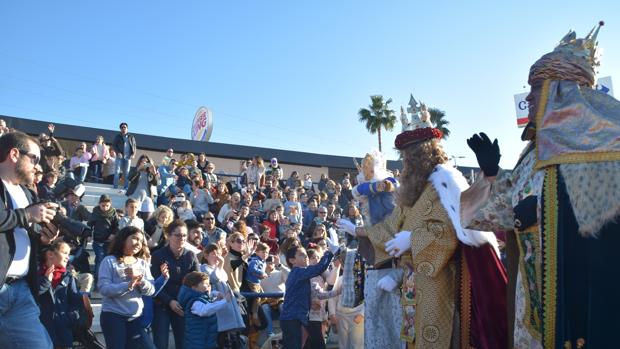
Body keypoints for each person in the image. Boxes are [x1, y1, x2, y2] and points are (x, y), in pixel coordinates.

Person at [462, 22, 620, 349]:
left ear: (560, 91)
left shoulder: (604, 148)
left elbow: (599, 233)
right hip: (534, 300)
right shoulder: (536, 153)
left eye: (536, 89)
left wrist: (540, 212)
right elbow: (499, 216)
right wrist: (492, 174)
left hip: (582, 301)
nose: (529, 99)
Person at [345, 103, 507, 349]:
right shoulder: (411, 190)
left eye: (410, 153)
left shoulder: (445, 181)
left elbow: (453, 230)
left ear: (425, 151)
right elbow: (390, 227)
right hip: (412, 282)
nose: (406, 160)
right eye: (404, 155)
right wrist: (358, 230)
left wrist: (413, 239)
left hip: (440, 280)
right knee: (415, 340)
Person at [0, 131, 62, 348]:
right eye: (34, 159)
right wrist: (27, 215)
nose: (38, 166)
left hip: (20, 291)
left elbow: (21, 234)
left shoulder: (26, 194)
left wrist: (43, 238)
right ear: (14, 154)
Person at [97, 226, 155, 349]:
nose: (138, 243)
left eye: (141, 240)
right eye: (135, 238)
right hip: (113, 316)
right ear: (123, 239)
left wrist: (140, 280)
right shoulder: (109, 261)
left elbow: (151, 290)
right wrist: (127, 285)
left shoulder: (142, 263)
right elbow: (104, 289)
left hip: (136, 317)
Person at [150, 219, 200, 349]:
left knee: (183, 342)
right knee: (161, 343)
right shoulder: (157, 255)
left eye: (184, 235)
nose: (182, 238)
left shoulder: (191, 256)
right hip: (162, 304)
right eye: (178, 235)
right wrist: (170, 301)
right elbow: (155, 285)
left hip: (183, 305)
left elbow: (198, 282)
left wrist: (184, 300)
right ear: (168, 236)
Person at [279, 241, 337, 349]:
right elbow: (318, 268)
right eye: (301, 255)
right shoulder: (297, 272)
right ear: (292, 260)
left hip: (295, 319)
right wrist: (330, 252)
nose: (306, 257)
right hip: (293, 319)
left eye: (306, 255)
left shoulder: (299, 273)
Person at [38, 240, 84, 349]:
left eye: (69, 254)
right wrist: (45, 281)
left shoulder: (68, 277)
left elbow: (76, 302)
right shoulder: (36, 273)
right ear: (50, 254)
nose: (68, 257)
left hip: (63, 333)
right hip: (41, 331)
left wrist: (68, 319)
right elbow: (32, 294)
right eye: (65, 253)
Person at [178, 271, 230, 349]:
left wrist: (217, 299)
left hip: (205, 341)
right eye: (205, 283)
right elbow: (205, 310)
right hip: (197, 343)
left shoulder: (200, 298)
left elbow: (208, 305)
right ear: (194, 287)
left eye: (208, 283)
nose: (208, 285)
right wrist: (225, 301)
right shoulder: (194, 302)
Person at [88, 194, 119, 279]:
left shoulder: (113, 212)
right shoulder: (95, 212)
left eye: (107, 206)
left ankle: (106, 279)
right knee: (100, 259)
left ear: (110, 204)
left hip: (109, 241)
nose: (105, 208)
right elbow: (89, 224)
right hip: (98, 241)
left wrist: (113, 234)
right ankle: (97, 280)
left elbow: (117, 226)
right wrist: (89, 234)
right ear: (99, 204)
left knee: (107, 260)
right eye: (103, 205)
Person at [126, 154, 159, 221]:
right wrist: (138, 169)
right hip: (135, 197)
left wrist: (154, 172)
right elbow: (129, 178)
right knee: (131, 218)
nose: (144, 164)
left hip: (147, 198)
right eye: (142, 162)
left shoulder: (150, 173)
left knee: (147, 219)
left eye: (146, 162)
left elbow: (156, 183)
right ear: (139, 162)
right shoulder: (134, 170)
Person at [112, 122, 137, 191]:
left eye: (125, 127)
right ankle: (115, 186)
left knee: (127, 172)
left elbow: (134, 146)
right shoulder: (118, 136)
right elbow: (114, 145)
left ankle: (126, 187)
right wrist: (118, 153)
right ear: (120, 129)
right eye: (122, 127)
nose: (123, 128)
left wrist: (133, 154)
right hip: (119, 156)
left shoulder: (131, 137)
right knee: (117, 171)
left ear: (127, 128)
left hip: (128, 157)